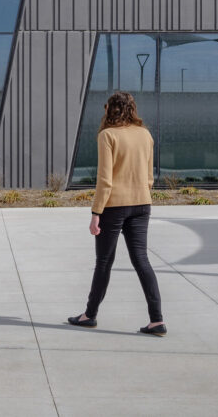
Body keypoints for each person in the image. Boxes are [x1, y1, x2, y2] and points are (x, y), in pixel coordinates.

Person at [67, 91, 166, 335]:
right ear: (132, 109)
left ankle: (89, 315)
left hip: (114, 206)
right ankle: (157, 320)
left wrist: (95, 212)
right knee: (141, 260)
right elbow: (150, 176)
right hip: (142, 203)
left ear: (110, 110)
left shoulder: (107, 135)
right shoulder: (145, 134)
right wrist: (141, 193)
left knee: (103, 262)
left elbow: (105, 180)